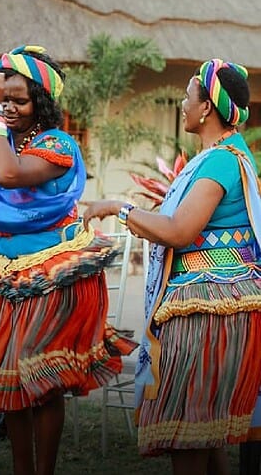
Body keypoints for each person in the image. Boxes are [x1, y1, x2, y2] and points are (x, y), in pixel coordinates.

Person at [0, 46, 137, 475]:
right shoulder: (4, 141)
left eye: (19, 100)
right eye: (4, 99)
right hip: (3, 267)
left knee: (42, 382)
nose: (9, 108)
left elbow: (7, 174)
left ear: (42, 103)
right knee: (10, 379)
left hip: (52, 273)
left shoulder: (57, 144)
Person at [83, 58, 261, 475]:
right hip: (213, 298)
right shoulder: (219, 157)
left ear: (206, 108)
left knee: (189, 430)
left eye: (187, 96)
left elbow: (180, 231)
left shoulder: (220, 161)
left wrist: (120, 208)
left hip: (209, 305)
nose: (182, 104)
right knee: (203, 430)